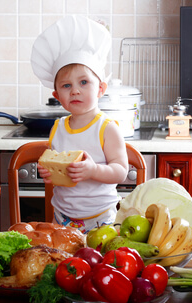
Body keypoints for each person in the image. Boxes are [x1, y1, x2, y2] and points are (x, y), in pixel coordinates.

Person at [30, 15, 129, 233]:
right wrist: (46, 172)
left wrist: (93, 170)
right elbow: (53, 165)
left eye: (84, 82)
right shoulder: (58, 127)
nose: (75, 90)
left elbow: (121, 170)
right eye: (66, 85)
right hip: (62, 217)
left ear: (101, 89)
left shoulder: (106, 128)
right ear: (57, 95)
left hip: (101, 219)